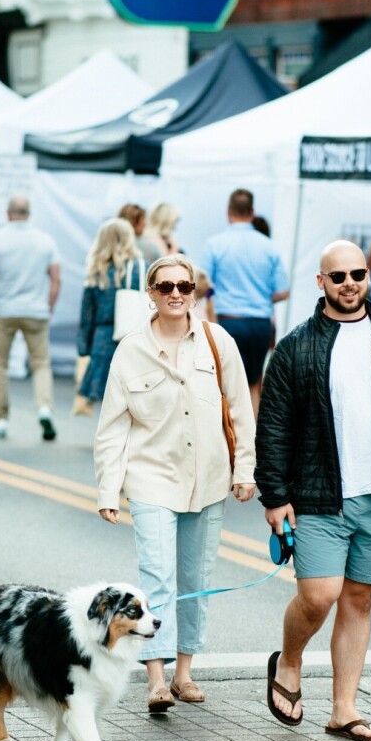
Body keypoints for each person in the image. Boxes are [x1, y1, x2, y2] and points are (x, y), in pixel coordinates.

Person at [256, 239, 371, 741]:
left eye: (356, 274)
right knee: (318, 597)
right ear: (321, 283)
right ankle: (290, 662)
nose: (349, 284)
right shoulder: (297, 345)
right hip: (317, 495)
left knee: (358, 600)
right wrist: (274, 496)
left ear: (366, 277)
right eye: (337, 277)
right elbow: (272, 426)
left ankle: (344, 709)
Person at [95, 254, 256, 712]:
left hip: (207, 479)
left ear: (194, 291)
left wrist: (245, 469)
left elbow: (241, 409)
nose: (175, 295)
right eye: (165, 287)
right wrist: (109, 489)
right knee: (157, 577)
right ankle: (156, 678)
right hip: (151, 478)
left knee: (196, 579)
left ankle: (185, 673)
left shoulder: (216, 341)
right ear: (151, 292)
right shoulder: (130, 349)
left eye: (184, 287)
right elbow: (113, 426)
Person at [201, 188, 289, 417]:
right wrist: (258, 295)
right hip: (260, 324)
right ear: (252, 212)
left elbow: (202, 285)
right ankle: (253, 443)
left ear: (228, 211)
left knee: (223, 384)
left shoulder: (215, 244)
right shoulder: (268, 246)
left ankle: (225, 440)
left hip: (229, 321)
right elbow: (283, 291)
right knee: (253, 384)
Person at [0, 196, 61, 442]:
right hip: (36, 310)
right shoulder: (45, 241)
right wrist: (48, 306)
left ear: (8, 213)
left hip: (3, 310)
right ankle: (44, 407)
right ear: (28, 213)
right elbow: (56, 279)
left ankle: (0, 419)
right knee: (40, 363)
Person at [76, 218, 145, 406]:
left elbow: (87, 314)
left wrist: (84, 347)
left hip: (103, 340)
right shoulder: (141, 268)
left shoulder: (97, 271)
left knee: (107, 401)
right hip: (134, 337)